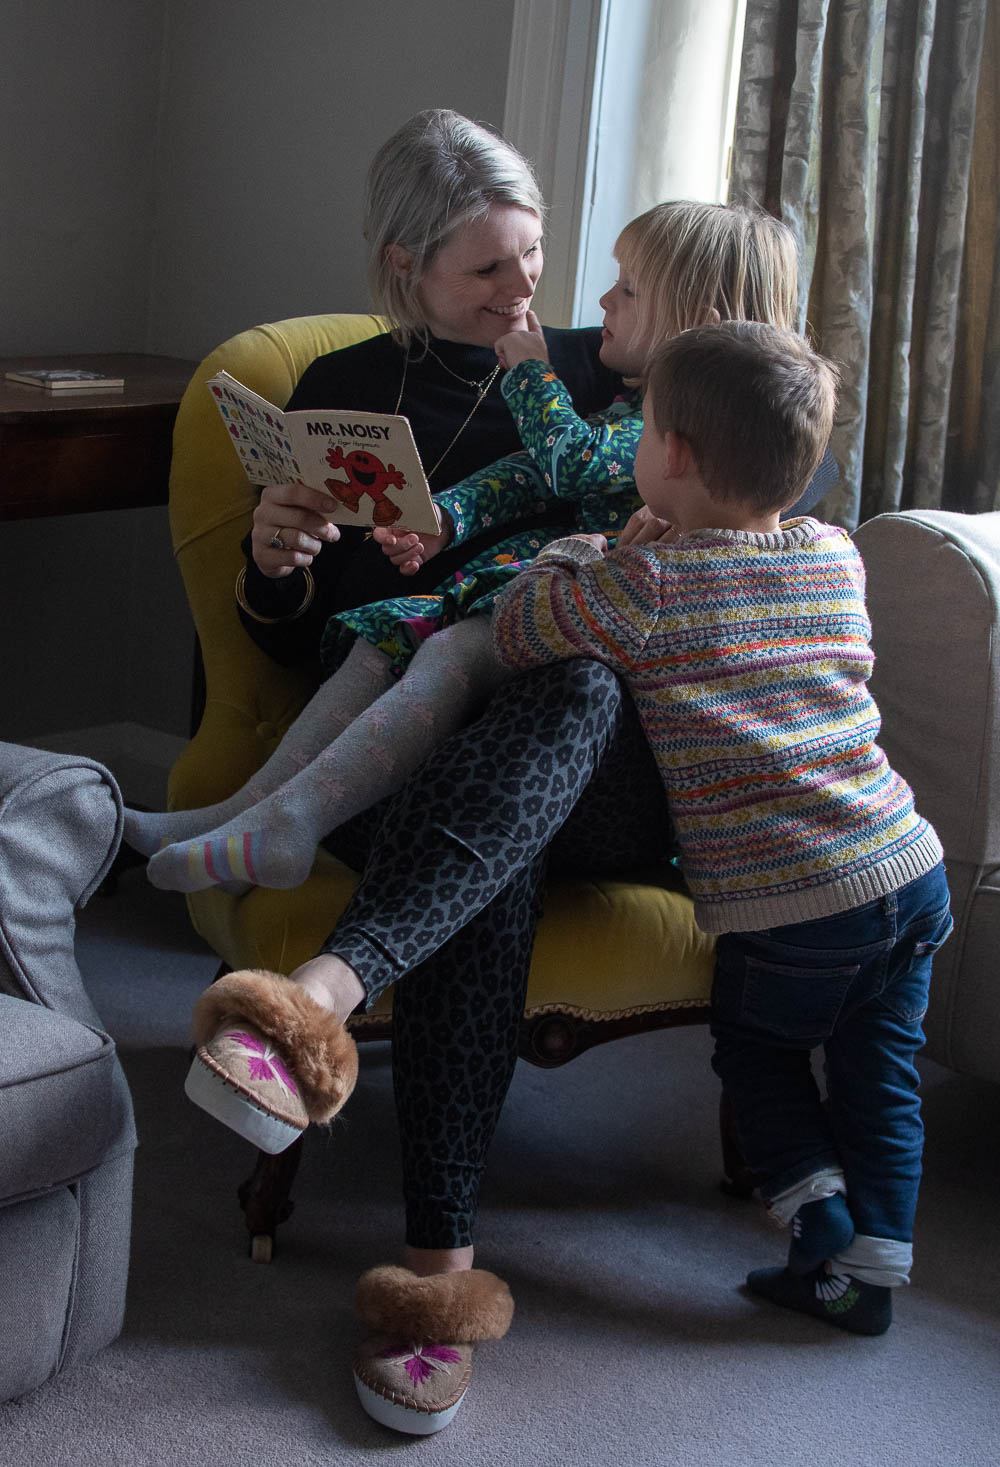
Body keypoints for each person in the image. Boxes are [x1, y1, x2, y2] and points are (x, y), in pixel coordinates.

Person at [490, 321, 951, 1340]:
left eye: (646, 428)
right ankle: (874, 1269)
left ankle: (820, 1228)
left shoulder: (643, 585)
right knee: (880, 1069)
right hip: (908, 868)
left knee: (757, 1053)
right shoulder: (835, 554)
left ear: (677, 456)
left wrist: (588, 550)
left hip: (794, 902)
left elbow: (518, 630)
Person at [127, 201, 802, 891]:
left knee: (443, 647)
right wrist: (443, 518)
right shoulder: (629, 397)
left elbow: (568, 463)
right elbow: (527, 477)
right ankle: (253, 811)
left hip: (581, 653)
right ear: (407, 264)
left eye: (627, 289)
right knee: (387, 637)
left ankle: (292, 819)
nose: (590, 296)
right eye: (487, 265)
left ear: (698, 322)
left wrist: (531, 375)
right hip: (518, 595)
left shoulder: (671, 428)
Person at [232, 107, 621, 671]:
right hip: (378, 691)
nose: (524, 283)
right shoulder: (340, 385)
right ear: (405, 262)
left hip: (547, 679)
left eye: (531, 249)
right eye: (488, 268)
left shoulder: (600, 369)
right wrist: (273, 569)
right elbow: (290, 644)